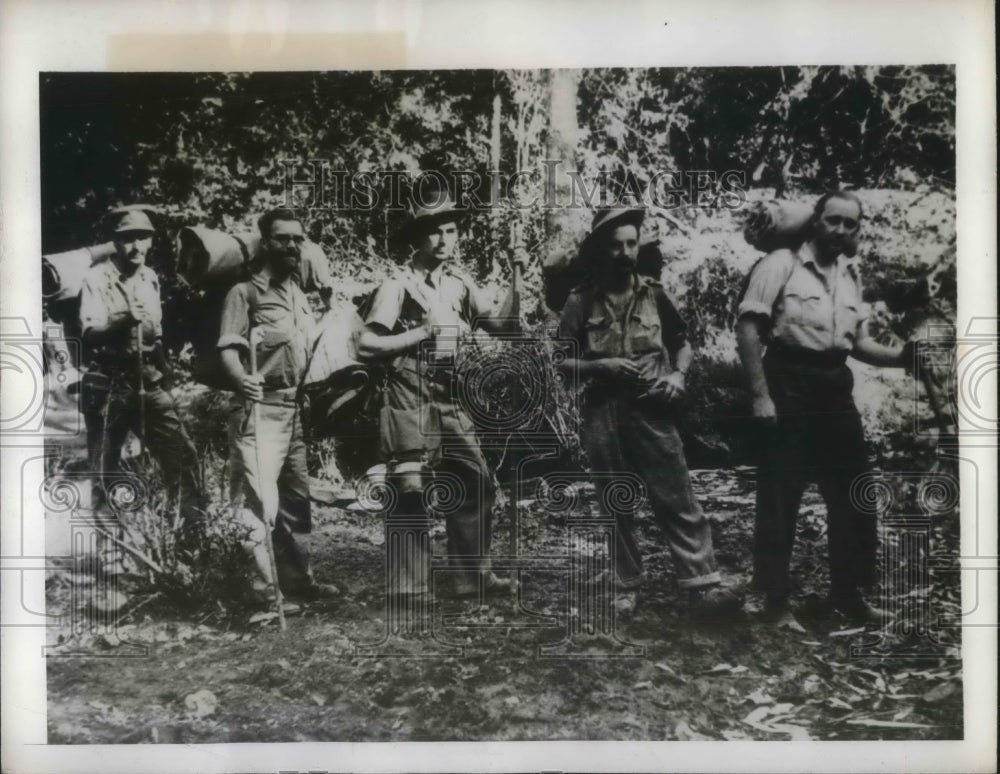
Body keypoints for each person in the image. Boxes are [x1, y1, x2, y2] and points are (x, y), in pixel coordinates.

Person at [735, 190, 911, 631]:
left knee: (854, 492)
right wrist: (760, 395)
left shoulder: (851, 274)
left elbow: (861, 346)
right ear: (816, 222)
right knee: (782, 495)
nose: (841, 231)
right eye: (833, 221)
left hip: (834, 387)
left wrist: (906, 357)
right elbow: (749, 327)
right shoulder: (781, 264)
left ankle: (848, 596)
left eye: (851, 224)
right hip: (787, 383)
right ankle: (776, 603)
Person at [556, 207, 739, 616]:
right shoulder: (580, 300)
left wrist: (678, 377)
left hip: (653, 409)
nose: (624, 253)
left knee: (676, 494)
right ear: (601, 251)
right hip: (603, 410)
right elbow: (561, 362)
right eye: (616, 246)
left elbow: (683, 342)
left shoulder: (654, 293)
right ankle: (625, 585)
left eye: (631, 244)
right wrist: (599, 366)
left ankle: (702, 584)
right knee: (615, 500)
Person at [355, 190, 519, 599]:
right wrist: (422, 333)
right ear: (418, 238)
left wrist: (517, 279)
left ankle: (472, 577)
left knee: (474, 479)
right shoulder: (397, 285)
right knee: (410, 488)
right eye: (436, 233)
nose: (446, 240)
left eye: (451, 230)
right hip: (410, 389)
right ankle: (408, 586)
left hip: (451, 392)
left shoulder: (459, 284)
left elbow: (503, 328)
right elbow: (366, 346)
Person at [218, 207, 340, 609]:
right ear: (265, 242)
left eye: (297, 239)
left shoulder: (296, 292)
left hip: (293, 409)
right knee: (257, 503)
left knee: (294, 500)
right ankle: (264, 594)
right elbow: (229, 348)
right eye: (282, 238)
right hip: (258, 408)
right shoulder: (245, 292)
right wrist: (240, 378)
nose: (291, 246)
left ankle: (298, 581)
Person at [78, 206, 205, 539]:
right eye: (127, 239)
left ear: (151, 241)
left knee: (183, 456)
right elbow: (89, 333)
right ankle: (109, 549)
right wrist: (121, 320)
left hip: (148, 383)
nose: (136, 247)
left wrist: (168, 376)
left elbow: (157, 333)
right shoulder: (95, 278)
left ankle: (190, 536)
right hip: (109, 384)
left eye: (143, 238)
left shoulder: (150, 277)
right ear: (115, 243)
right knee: (105, 468)